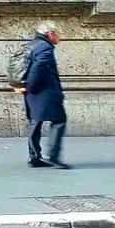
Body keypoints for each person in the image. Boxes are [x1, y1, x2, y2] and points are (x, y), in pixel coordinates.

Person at [19, 21, 70, 170]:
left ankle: (34, 157)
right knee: (59, 120)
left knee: (35, 122)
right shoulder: (45, 47)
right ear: (50, 34)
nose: (59, 37)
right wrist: (32, 87)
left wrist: (27, 87)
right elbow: (39, 67)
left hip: (31, 91)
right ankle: (54, 156)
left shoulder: (32, 44)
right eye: (58, 34)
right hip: (44, 92)